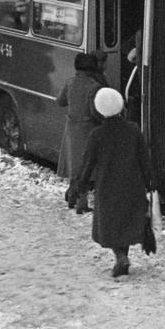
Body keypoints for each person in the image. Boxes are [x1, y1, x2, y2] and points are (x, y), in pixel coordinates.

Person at [72, 88, 154, 278]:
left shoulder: (97, 134)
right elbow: (145, 159)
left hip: (107, 187)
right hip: (132, 185)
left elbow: (87, 164)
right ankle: (123, 256)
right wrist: (150, 184)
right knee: (125, 223)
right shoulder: (133, 129)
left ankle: (119, 256)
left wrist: (79, 186)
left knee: (109, 226)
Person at [56, 51, 106, 211]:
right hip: (88, 130)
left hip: (71, 129)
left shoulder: (70, 83)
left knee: (74, 164)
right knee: (86, 167)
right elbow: (94, 112)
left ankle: (71, 196)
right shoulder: (94, 87)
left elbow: (60, 101)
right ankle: (81, 203)